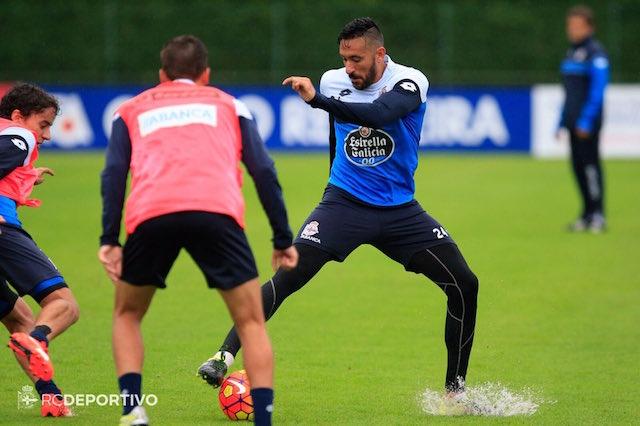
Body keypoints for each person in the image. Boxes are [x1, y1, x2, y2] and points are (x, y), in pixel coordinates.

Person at [198, 17, 479, 402]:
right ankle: (222, 356)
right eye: (344, 59)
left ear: (379, 53)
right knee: (287, 276)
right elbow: (336, 133)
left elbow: (380, 115)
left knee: (464, 284)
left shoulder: (409, 82)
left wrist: (316, 100)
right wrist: (333, 189)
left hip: (401, 213)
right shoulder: (333, 81)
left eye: (357, 59)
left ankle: (455, 393)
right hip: (344, 204)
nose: (349, 68)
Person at [99, 35, 297, 426]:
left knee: (127, 314)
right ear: (205, 75)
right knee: (251, 322)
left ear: (161, 76)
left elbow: (113, 174)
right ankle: (264, 421)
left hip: (152, 214)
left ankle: (133, 411)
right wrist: (281, 238)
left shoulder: (129, 111)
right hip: (216, 213)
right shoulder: (229, 104)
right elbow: (263, 170)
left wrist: (110, 240)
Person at [0, 83, 78, 417]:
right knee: (63, 305)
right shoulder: (21, 136)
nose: (45, 135)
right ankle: (40, 340)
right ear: (18, 116)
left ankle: (52, 398)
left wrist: (26, 175)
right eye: (43, 124)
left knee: (19, 319)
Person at [558, 5, 609, 233]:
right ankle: (586, 214)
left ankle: (598, 214)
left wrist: (586, 120)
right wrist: (561, 121)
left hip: (587, 124)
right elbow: (569, 94)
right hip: (572, 122)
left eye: (578, 26)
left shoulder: (596, 54)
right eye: (571, 26)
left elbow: (597, 91)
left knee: (590, 167)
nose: (573, 30)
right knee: (578, 167)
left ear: (590, 27)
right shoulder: (571, 53)